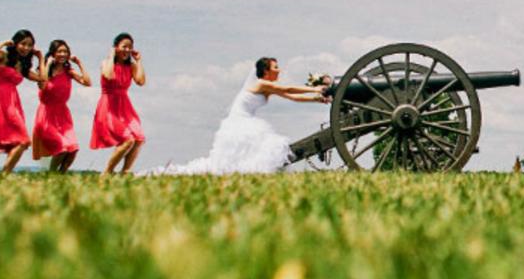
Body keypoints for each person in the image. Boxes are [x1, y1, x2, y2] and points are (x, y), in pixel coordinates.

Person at [152, 57, 328, 175]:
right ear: (266, 72)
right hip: (240, 122)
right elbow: (287, 89)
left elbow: (293, 97)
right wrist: (314, 88)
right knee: (265, 148)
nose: (279, 70)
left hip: (245, 121)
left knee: (250, 155)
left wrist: (316, 99)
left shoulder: (267, 86)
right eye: (276, 67)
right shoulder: (261, 84)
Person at [0, 30, 44, 172]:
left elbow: (43, 80)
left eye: (30, 45)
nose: (26, 48)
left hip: (13, 102)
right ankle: (4, 174)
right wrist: (5, 43)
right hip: (0, 100)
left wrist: (40, 58)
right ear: (16, 43)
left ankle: (5, 174)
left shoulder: (23, 65)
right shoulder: (4, 57)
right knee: (24, 141)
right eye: (23, 44)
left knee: (20, 142)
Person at [90, 32, 146, 174]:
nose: (127, 50)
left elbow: (140, 81)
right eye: (124, 47)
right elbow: (108, 75)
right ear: (116, 47)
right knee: (128, 140)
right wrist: (111, 56)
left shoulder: (131, 66)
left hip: (125, 106)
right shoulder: (106, 63)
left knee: (139, 139)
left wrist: (139, 61)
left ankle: (125, 172)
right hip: (108, 105)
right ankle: (107, 173)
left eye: (130, 47)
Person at [33, 40, 90, 172]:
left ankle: (61, 175)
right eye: (60, 51)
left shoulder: (68, 71)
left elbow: (87, 82)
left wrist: (79, 63)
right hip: (47, 114)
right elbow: (43, 85)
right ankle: (51, 175)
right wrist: (47, 64)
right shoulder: (44, 70)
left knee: (73, 148)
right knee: (62, 147)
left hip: (63, 115)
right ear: (53, 53)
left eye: (65, 51)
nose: (63, 54)